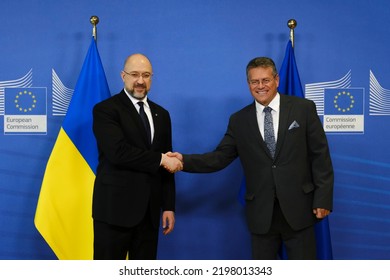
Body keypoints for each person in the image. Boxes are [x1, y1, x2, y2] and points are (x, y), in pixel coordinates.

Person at [169, 57, 334, 260]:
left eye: (265, 80)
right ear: (248, 84)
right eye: (254, 82)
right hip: (261, 214)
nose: (260, 86)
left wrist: (323, 198)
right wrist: (183, 160)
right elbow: (219, 157)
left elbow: (320, 156)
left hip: (300, 209)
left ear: (277, 80)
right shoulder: (239, 120)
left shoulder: (303, 109)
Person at [92, 53, 183, 260]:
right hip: (114, 212)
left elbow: (167, 164)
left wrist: (168, 206)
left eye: (146, 75)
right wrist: (160, 159)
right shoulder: (106, 110)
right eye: (134, 74)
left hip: (149, 214)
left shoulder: (162, 114)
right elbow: (118, 153)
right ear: (123, 76)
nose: (140, 81)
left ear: (152, 78)